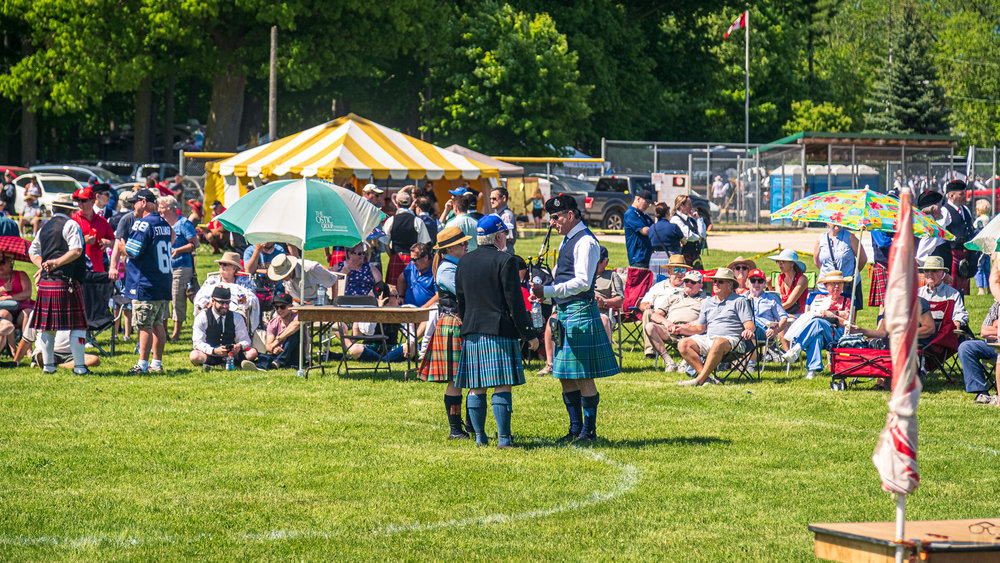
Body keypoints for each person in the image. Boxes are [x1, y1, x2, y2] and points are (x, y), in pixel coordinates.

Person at [531, 195, 619, 442]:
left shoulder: (586, 243)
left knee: (582, 374)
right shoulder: (568, 241)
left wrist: (548, 292)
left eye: (556, 218)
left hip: (581, 311)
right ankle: (574, 429)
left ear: (570, 215)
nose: (552, 223)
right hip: (566, 311)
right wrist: (546, 296)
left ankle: (588, 432)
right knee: (564, 374)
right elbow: (563, 279)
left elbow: (581, 282)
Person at [456, 215, 539, 448]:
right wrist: (528, 333)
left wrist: (467, 324)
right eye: (506, 235)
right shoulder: (506, 261)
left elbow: (460, 301)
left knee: (476, 385)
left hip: (471, 330)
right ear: (499, 237)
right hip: (499, 331)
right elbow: (515, 303)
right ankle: (503, 438)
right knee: (501, 384)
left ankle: (480, 438)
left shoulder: (464, 261)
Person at [418, 226, 473, 440]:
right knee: (455, 380)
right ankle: (456, 430)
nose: (466, 245)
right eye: (462, 243)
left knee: (466, 379)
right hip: (453, 324)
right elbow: (465, 292)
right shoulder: (446, 270)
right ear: (450, 248)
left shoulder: (455, 265)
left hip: (459, 323)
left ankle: (469, 426)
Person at [27, 196, 90, 375]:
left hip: (48, 282)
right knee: (77, 326)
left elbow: (33, 251)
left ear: (53, 209)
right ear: (70, 210)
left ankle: (48, 367)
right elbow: (76, 250)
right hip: (67, 280)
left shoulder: (44, 227)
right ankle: (79, 367)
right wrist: (54, 263)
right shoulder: (71, 225)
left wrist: (43, 265)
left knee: (47, 327)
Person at [674, 268, 755, 387]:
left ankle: (698, 381)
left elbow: (749, 324)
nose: (716, 284)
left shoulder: (739, 301)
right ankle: (707, 378)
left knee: (718, 341)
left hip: (733, 341)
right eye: (715, 281)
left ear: (730, 284)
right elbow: (700, 329)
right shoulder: (708, 303)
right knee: (683, 343)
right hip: (709, 339)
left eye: (720, 281)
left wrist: (749, 330)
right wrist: (682, 329)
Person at [123, 189, 174, 375]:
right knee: (158, 324)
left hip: (145, 282)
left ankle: (142, 364)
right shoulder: (165, 223)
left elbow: (132, 251)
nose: (132, 207)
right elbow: (173, 238)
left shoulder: (142, 224)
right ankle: (157, 363)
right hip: (163, 281)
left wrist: (121, 245)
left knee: (144, 324)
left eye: (133, 202)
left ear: (143, 202)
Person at [781, 270, 854, 379]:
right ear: (826, 286)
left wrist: (832, 314)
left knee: (817, 322)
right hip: (819, 331)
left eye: (839, 283)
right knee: (816, 336)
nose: (836, 286)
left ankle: (797, 348)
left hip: (838, 332)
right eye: (832, 284)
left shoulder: (847, 300)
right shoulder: (819, 298)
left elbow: (848, 322)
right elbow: (810, 315)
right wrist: (837, 314)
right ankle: (812, 369)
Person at [645, 269, 708, 372]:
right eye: (686, 281)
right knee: (650, 327)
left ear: (700, 285)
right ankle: (669, 362)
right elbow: (656, 315)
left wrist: (686, 326)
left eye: (693, 282)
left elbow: (707, 318)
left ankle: (686, 362)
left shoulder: (706, 299)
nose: (689, 284)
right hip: (671, 330)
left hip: (692, 332)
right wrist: (667, 323)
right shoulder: (674, 296)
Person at [159, 195, 199, 341]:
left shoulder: (184, 223)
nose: (159, 210)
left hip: (182, 266)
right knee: (163, 300)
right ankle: (163, 332)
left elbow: (195, 244)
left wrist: (179, 250)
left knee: (178, 300)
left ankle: (176, 334)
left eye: (162, 207)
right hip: (163, 268)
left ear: (170, 208)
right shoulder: (161, 223)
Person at [190, 286, 259, 370]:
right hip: (211, 354)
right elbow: (198, 343)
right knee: (194, 355)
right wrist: (214, 351)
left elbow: (246, 340)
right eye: (222, 303)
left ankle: (218, 364)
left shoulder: (236, 317)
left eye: (227, 303)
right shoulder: (202, 317)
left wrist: (239, 347)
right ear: (213, 301)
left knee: (253, 352)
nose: (225, 306)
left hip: (231, 355)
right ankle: (217, 363)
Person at [639, 254, 689, 357]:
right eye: (676, 270)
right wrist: (645, 306)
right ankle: (651, 351)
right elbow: (643, 304)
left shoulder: (690, 287)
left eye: (683, 271)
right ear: (669, 272)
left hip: (679, 321)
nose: (680, 274)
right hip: (658, 320)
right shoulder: (659, 286)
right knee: (648, 313)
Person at [193, 252, 260, 330]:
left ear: (234, 268)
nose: (221, 266)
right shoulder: (212, 281)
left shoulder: (243, 282)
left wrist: (245, 300)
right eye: (220, 264)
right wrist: (207, 304)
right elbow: (200, 296)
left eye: (225, 264)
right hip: (212, 309)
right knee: (203, 315)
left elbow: (253, 298)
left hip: (235, 310)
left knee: (237, 317)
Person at [13, 310, 100, 370]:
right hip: (46, 352)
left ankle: (56, 365)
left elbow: (81, 337)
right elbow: (26, 339)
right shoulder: (37, 311)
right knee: (42, 355)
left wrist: (81, 348)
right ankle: (48, 362)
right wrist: (15, 362)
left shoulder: (76, 311)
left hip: (71, 355)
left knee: (94, 359)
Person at [381, 191, 431, 285]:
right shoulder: (418, 221)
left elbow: (385, 242)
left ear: (397, 204)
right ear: (410, 204)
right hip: (413, 260)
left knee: (393, 289)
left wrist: (391, 255)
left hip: (396, 257)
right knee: (411, 288)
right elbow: (423, 244)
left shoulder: (391, 220)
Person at [814, 222, 866, 310]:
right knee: (824, 315)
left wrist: (852, 274)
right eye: (833, 220)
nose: (836, 223)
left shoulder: (850, 237)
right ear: (827, 222)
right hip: (826, 287)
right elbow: (817, 261)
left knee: (848, 318)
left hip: (848, 285)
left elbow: (862, 259)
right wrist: (831, 277)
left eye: (839, 220)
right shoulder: (821, 239)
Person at [957, 300, 1000, 405]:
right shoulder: (997, 305)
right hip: (991, 346)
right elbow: (984, 331)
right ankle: (981, 392)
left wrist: (996, 326)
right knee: (966, 347)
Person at [940, 180, 976, 294]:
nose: (965, 196)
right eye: (961, 194)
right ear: (951, 195)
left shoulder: (966, 210)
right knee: (953, 288)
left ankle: (961, 309)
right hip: (953, 253)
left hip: (966, 254)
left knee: (962, 289)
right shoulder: (944, 211)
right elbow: (940, 234)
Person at [917, 255, 970, 331]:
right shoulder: (918, 293)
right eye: (926, 270)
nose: (930, 273)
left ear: (943, 273)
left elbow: (960, 313)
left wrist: (957, 322)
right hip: (923, 333)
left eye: (934, 271)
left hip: (945, 333)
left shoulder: (953, 294)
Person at [70, 186, 115, 274]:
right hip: (78, 270)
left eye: (83, 201)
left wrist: (109, 243)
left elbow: (115, 243)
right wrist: (83, 240)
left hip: (98, 270)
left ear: (92, 201)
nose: (80, 204)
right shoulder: (73, 219)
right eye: (78, 200)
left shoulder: (102, 221)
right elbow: (65, 242)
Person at [267, 253, 338, 306]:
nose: (282, 279)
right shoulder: (283, 269)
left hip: (316, 303)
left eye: (283, 275)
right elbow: (287, 288)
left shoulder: (311, 268)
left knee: (297, 321)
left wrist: (334, 303)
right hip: (295, 303)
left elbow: (334, 279)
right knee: (276, 317)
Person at [0, 252, 33, 352]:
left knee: (27, 313)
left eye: (2, 263)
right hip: (5, 309)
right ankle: (13, 350)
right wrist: (2, 289)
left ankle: (27, 349)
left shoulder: (21, 274)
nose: (0, 266)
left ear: (10, 262)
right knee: (4, 314)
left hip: (21, 308)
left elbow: (27, 293)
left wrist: (10, 297)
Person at [257, 293, 300, 370]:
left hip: (296, 355)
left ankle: (276, 362)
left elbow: (296, 324)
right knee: (262, 355)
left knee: (295, 333)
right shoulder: (273, 322)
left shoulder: (298, 317)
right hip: (278, 353)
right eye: (276, 307)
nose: (279, 310)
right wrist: (274, 349)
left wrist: (277, 340)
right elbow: (268, 346)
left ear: (291, 307)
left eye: (282, 307)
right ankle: (272, 363)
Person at [670, 194, 706, 269]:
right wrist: (699, 237)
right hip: (684, 255)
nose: (691, 207)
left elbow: (703, 234)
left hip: (695, 254)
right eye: (689, 204)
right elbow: (688, 235)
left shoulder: (691, 219)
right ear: (681, 205)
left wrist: (699, 219)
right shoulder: (676, 219)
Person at [770, 249, 809, 315]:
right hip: (783, 313)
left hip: (799, 315)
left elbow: (790, 303)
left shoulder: (802, 279)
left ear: (792, 263)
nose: (780, 264)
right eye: (778, 261)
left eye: (783, 261)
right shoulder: (778, 278)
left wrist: (772, 311)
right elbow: (779, 300)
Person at [648, 202, 682, 278]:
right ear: (667, 212)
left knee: (655, 283)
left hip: (654, 259)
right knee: (670, 282)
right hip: (670, 258)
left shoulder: (651, 228)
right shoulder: (673, 227)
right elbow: (683, 240)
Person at [490, 187, 517, 253]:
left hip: (505, 252)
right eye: (490, 198)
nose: (491, 201)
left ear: (504, 198)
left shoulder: (506, 215)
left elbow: (507, 238)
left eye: (494, 198)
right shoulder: (499, 214)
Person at [973, 199, 992, 295]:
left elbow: (975, 230)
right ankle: (989, 288)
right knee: (987, 268)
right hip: (988, 248)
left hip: (980, 248)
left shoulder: (979, 220)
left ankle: (980, 289)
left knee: (979, 268)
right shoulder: (989, 219)